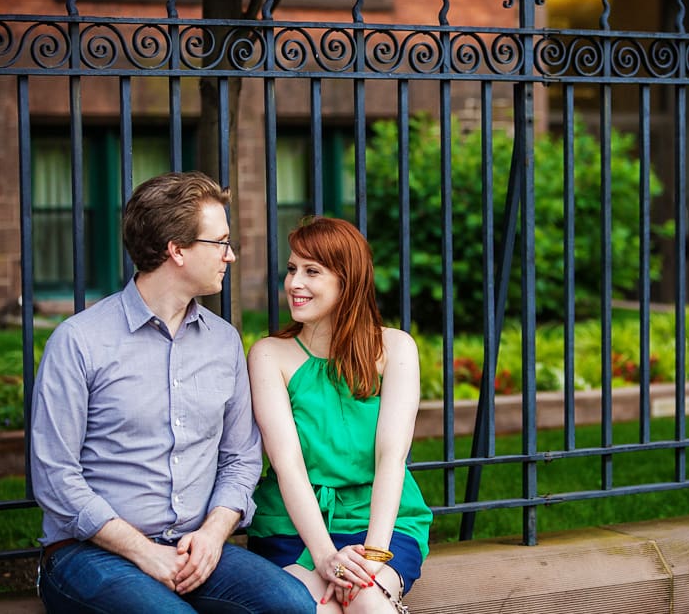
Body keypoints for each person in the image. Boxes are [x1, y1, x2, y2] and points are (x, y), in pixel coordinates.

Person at [30, 171, 316, 613]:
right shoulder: (79, 342)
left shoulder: (223, 342)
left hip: (193, 547)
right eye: (220, 242)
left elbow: (240, 458)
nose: (231, 255)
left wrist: (212, 534)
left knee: (292, 605)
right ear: (176, 250)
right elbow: (55, 478)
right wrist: (146, 553)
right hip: (87, 552)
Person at [246, 216, 432, 613]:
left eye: (312, 271)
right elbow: (288, 464)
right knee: (318, 608)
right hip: (293, 526)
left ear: (347, 282)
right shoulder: (269, 355)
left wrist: (374, 557)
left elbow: (391, 457)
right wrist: (326, 555)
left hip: (381, 522)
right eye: (293, 269)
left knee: (368, 601)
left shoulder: (395, 348)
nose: (295, 282)